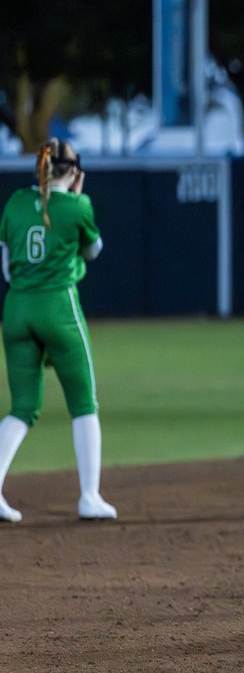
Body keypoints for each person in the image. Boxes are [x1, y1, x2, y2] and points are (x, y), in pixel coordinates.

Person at [0, 138, 117, 523]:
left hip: (16, 308)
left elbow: (6, 266)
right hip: (58, 309)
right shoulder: (77, 206)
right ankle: (89, 496)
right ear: (75, 172)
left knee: (21, 409)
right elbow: (93, 250)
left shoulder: (16, 202)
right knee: (84, 403)